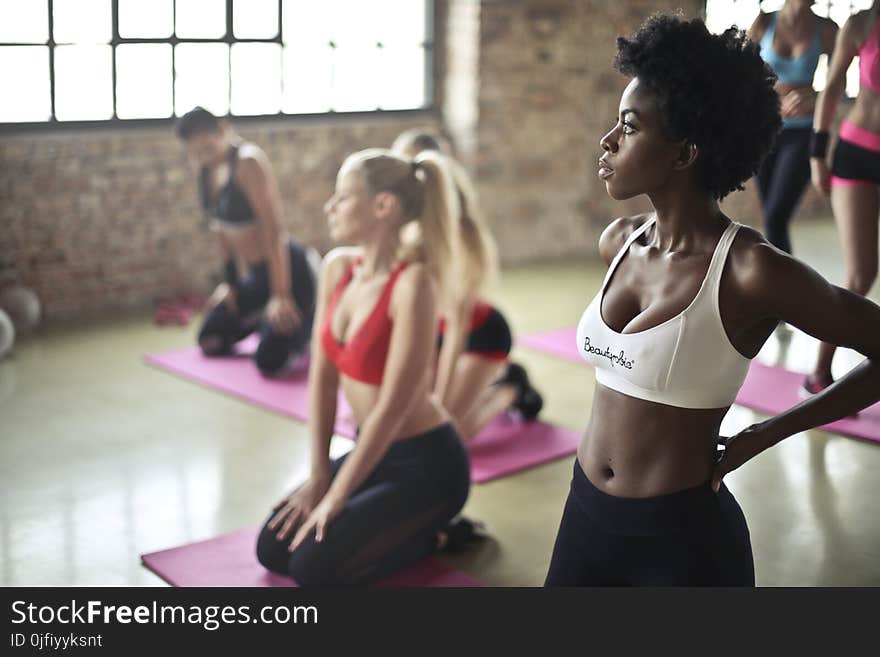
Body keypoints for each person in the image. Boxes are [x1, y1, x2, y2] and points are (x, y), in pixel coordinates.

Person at [545, 14, 880, 586]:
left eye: (629, 126)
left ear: (684, 153)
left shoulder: (752, 270)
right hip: (584, 517)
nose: (608, 140)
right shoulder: (619, 242)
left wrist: (765, 433)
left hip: (681, 540)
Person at [255, 149, 471, 586]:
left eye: (342, 196)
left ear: (383, 206)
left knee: (312, 568)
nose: (329, 206)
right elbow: (322, 377)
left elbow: (392, 408)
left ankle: (441, 535)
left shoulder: (413, 285)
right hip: (371, 452)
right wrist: (318, 476)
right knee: (273, 549)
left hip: (428, 465)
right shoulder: (338, 268)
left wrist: (338, 495)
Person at [392, 130, 543, 441]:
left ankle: (510, 387)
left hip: (479, 334)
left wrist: (441, 407)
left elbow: (458, 328)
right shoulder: (407, 227)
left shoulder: (461, 238)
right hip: (437, 334)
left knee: (450, 434)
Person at [176, 107, 319, 376]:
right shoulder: (204, 170)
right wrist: (230, 283)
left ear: (223, 129)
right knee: (210, 340)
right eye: (196, 152)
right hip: (254, 276)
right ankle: (263, 320)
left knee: (269, 363)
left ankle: (305, 326)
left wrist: (280, 295)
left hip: (290, 272)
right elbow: (220, 229)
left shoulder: (248, 161)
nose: (204, 156)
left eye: (208, 147)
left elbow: (275, 231)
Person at [804, 1, 880, 395]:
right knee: (860, 274)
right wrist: (818, 154)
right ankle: (818, 372)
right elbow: (831, 87)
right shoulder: (862, 23)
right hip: (857, 155)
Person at [749, 0, 837, 254]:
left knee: (776, 215)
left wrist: (815, 95)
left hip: (803, 131)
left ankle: (781, 285)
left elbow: (838, 86)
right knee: (771, 216)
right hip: (763, 129)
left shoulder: (828, 29)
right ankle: (776, 282)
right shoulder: (763, 22)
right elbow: (741, 76)